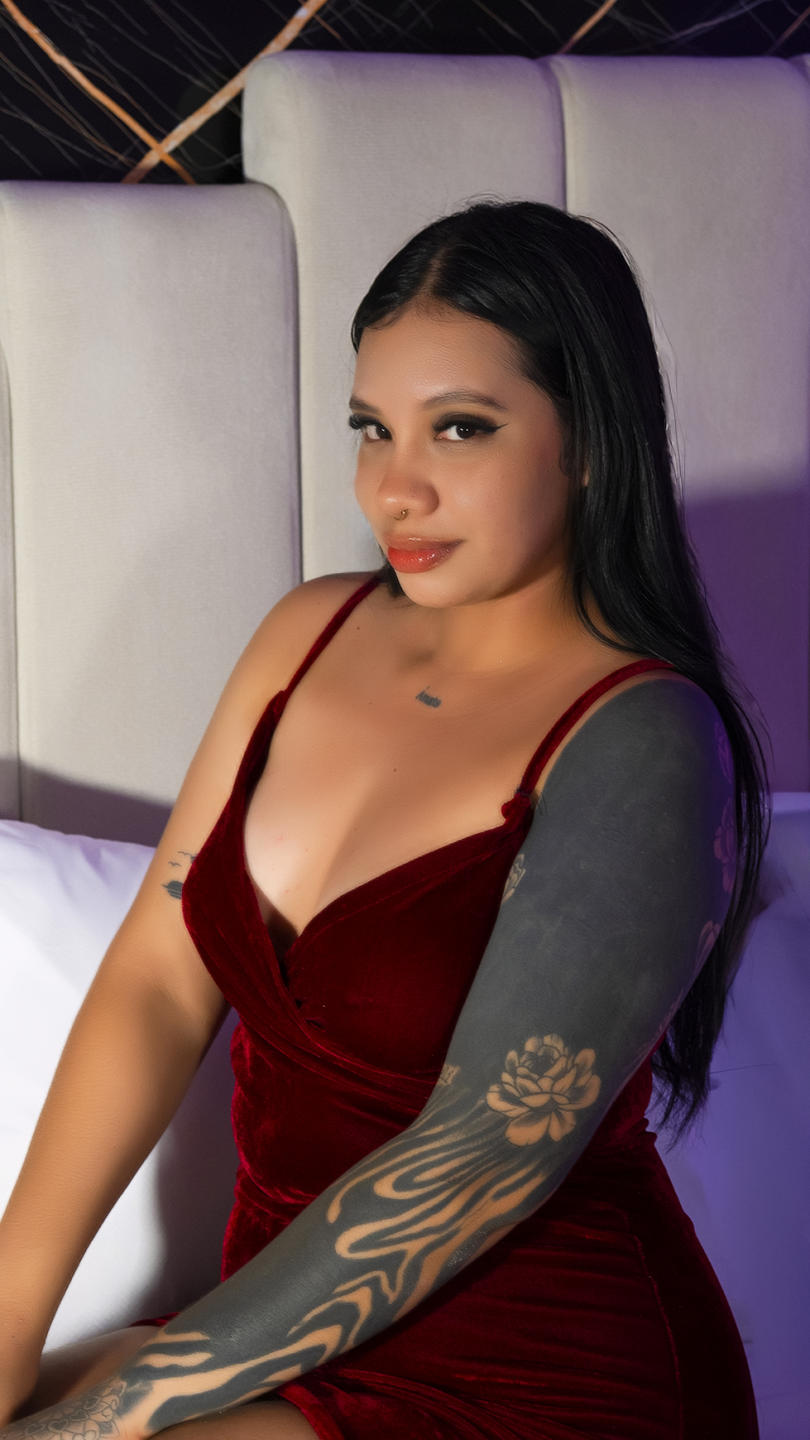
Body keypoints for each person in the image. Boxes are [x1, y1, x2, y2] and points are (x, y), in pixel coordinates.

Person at [0, 200, 768, 1440]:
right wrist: (7, 1323)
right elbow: (157, 979)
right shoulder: (306, 634)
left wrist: (99, 1421)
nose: (394, 490)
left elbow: (469, 1162)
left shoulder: (645, 741)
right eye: (372, 429)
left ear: (587, 440)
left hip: (538, 1378)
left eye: (460, 428)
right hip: (268, 1335)